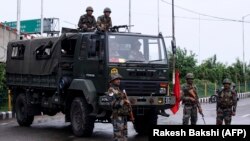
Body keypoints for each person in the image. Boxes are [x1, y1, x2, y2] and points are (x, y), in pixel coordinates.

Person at [108, 73, 131, 141]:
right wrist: (123, 102)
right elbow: (112, 104)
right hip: (117, 116)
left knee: (124, 135)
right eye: (116, 79)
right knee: (118, 136)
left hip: (123, 115)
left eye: (119, 79)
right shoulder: (111, 91)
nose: (119, 81)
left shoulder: (119, 90)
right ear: (112, 81)